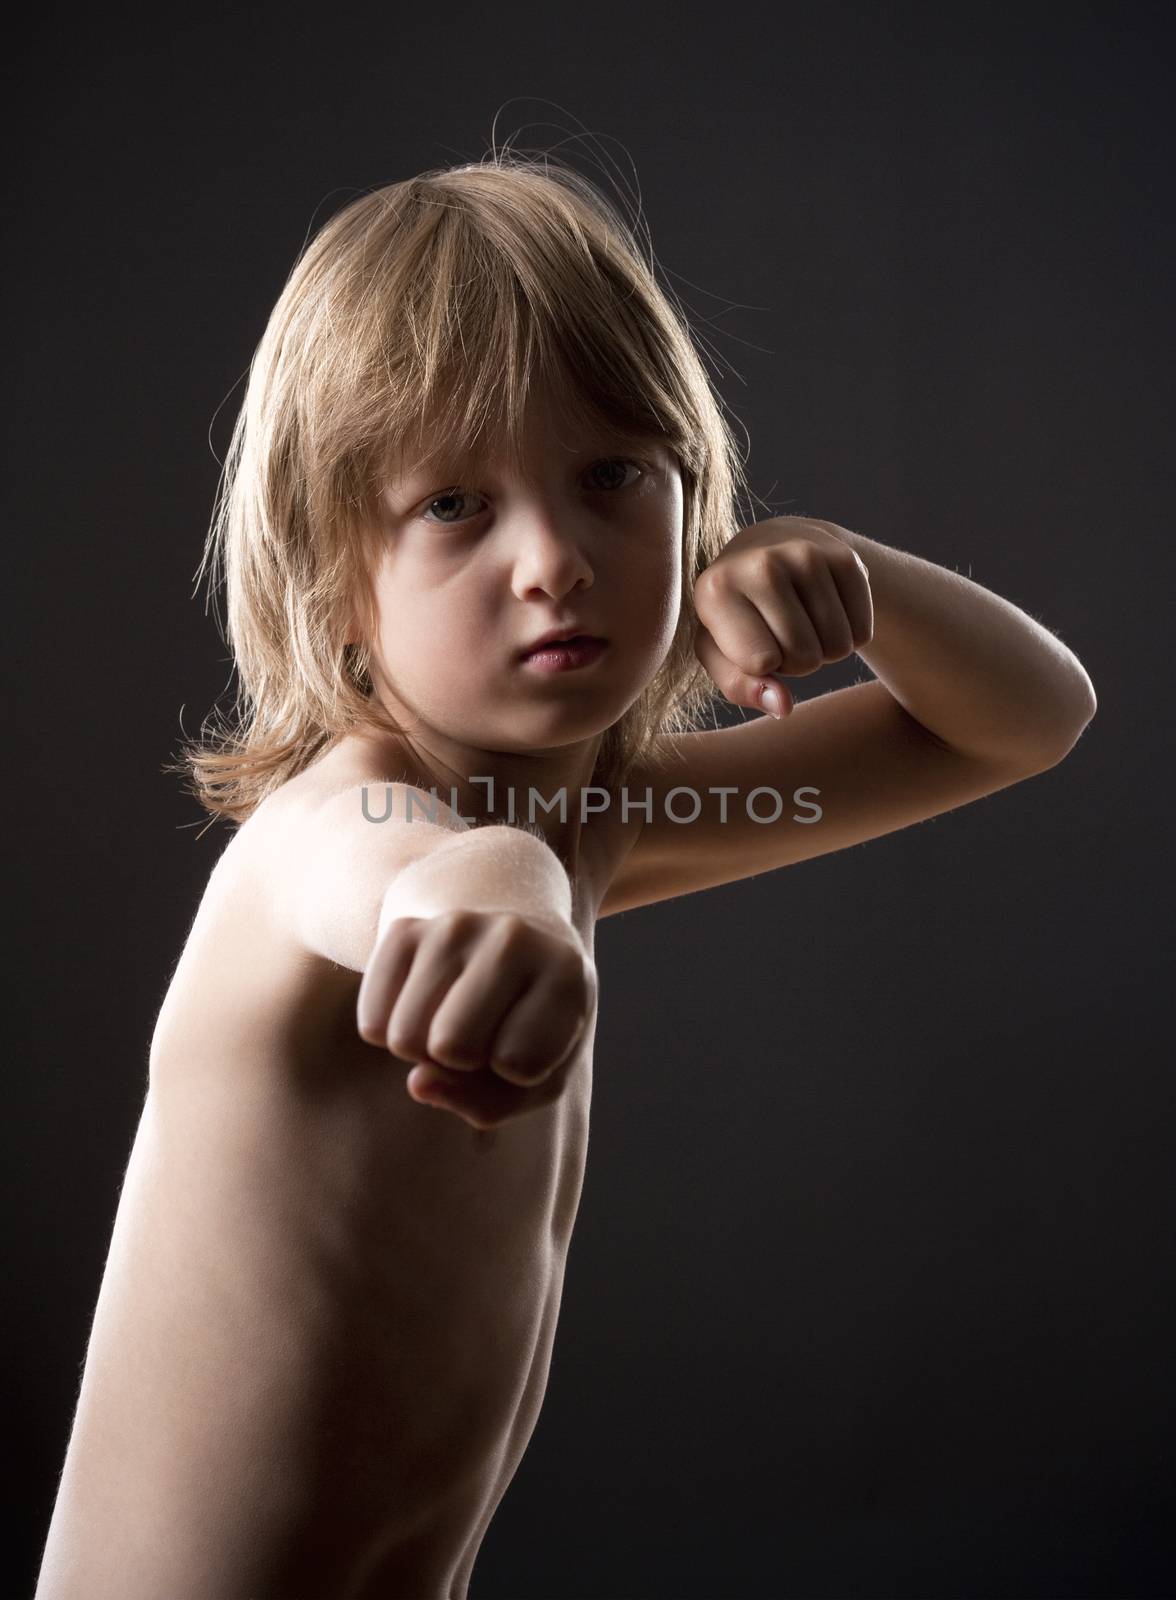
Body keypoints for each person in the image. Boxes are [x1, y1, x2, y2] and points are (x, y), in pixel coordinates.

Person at [34, 151, 1097, 1599]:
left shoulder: (595, 821)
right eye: (455, 508)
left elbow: (1028, 721)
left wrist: (852, 576)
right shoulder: (322, 829)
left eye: (612, 477)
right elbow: (411, 877)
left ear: (688, 492)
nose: (555, 559)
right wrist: (502, 893)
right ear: (334, 573)